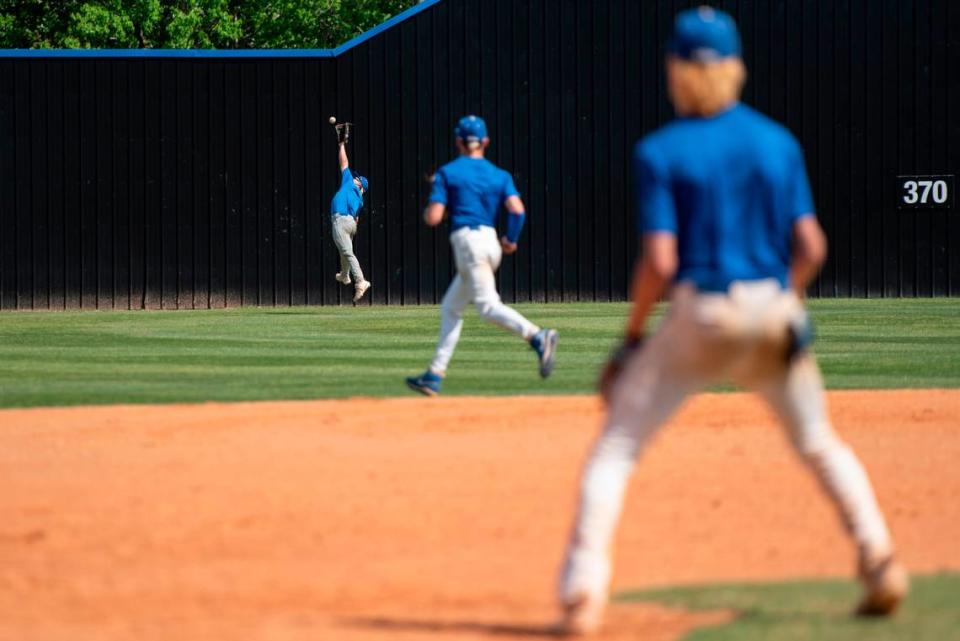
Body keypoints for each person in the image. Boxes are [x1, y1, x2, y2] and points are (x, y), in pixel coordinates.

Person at [556, 7, 907, 635]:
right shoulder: (777, 142)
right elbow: (813, 249)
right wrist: (784, 301)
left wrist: (632, 339)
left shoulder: (660, 150)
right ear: (736, 66)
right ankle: (880, 562)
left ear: (675, 69)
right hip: (773, 309)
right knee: (819, 443)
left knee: (615, 449)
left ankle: (582, 593)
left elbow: (660, 262)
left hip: (702, 310)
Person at [405, 115, 558, 396]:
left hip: (468, 244)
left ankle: (538, 336)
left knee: (487, 307)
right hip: (490, 242)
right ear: (485, 142)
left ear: (458, 142)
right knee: (451, 307)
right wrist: (510, 239)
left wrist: (434, 203)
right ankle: (434, 375)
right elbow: (517, 210)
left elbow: (434, 217)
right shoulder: (500, 175)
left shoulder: (448, 172)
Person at [330, 135, 371, 303]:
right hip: (351, 223)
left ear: (359, 183)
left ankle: (360, 281)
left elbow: (344, 163)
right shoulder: (360, 199)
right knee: (344, 249)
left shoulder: (350, 183)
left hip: (340, 220)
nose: (353, 177)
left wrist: (341, 144)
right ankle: (344, 275)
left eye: (356, 178)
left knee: (347, 251)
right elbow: (357, 219)